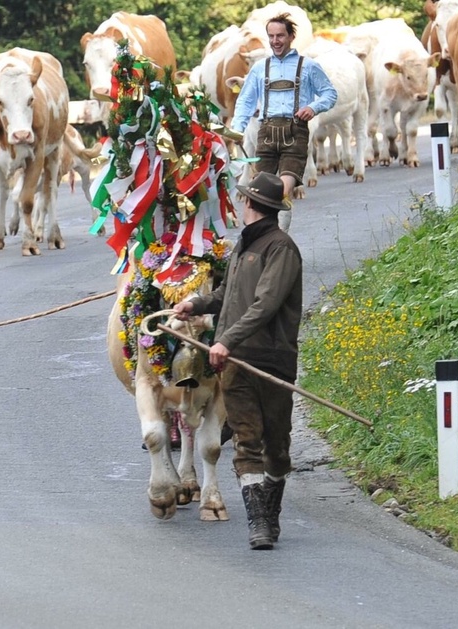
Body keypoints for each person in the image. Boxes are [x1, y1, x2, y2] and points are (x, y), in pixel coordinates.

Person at [173, 171, 303, 550]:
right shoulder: (243, 247)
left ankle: (271, 512)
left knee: (276, 446)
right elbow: (227, 295)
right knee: (246, 440)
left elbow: (266, 304)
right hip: (234, 361)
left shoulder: (281, 249)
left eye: (243, 199)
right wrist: (195, 304)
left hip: (272, 359)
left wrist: (225, 339)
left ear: (249, 203)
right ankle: (259, 522)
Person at [230, 13, 338, 231]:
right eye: (271, 36)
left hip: (295, 133)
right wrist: (236, 130)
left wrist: (312, 107)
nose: (275, 41)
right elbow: (245, 102)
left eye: (280, 35)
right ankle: (262, 236)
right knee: (258, 192)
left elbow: (330, 94)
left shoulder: (308, 66)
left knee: (281, 190)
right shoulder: (260, 68)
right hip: (266, 132)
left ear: (291, 37)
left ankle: (279, 236)